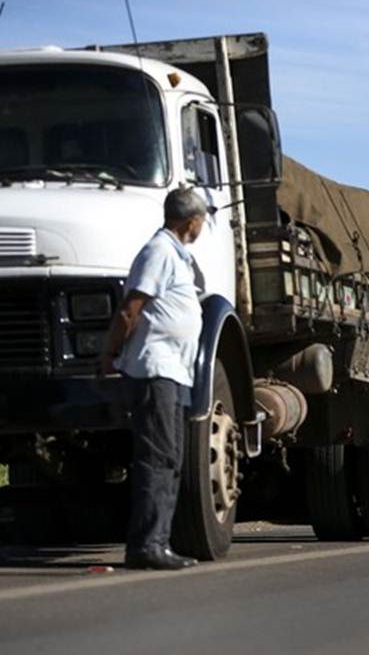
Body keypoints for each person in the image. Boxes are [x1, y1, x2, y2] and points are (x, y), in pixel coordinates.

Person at [100, 187, 207, 571]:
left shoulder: (177, 255)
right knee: (158, 458)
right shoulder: (159, 252)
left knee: (170, 458)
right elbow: (130, 310)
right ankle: (147, 545)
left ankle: (158, 540)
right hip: (154, 369)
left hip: (174, 371)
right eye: (201, 220)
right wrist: (110, 354)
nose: (203, 226)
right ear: (191, 221)